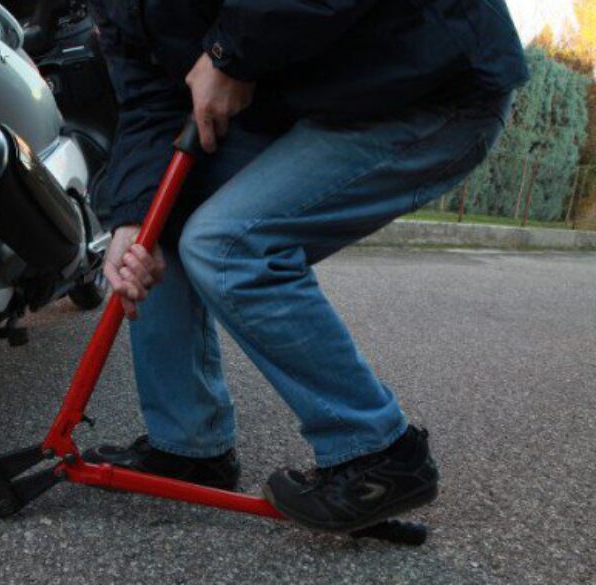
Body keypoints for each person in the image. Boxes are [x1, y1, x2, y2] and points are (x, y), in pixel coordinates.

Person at [82, 0, 528, 532]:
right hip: (315, 98)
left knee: (228, 244)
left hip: (429, 76)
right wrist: (135, 217)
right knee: (159, 226)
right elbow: (149, 98)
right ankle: (189, 447)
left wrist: (229, 54)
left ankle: (380, 454)